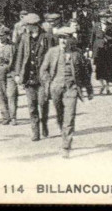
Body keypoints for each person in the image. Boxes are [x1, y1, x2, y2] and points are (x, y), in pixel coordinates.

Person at [41, 26, 93, 158]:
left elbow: (85, 74)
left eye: (66, 38)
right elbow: (43, 70)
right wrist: (48, 82)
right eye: (61, 38)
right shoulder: (52, 52)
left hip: (72, 89)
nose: (63, 41)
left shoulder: (77, 54)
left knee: (69, 117)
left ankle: (66, 145)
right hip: (56, 88)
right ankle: (63, 133)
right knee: (60, 116)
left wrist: (89, 89)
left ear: (71, 39)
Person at [13, 13, 56, 141]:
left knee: (43, 103)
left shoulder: (47, 37)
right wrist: (17, 74)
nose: (25, 28)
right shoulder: (24, 37)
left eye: (27, 26)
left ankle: (44, 125)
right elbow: (20, 56)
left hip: (43, 78)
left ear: (34, 25)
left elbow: (52, 56)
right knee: (31, 106)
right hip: (29, 77)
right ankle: (35, 132)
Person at [0, 25, 17, 125]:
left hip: (10, 72)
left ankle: (13, 117)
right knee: (1, 95)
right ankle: (5, 117)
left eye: (3, 35)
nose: (0, 37)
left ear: (7, 35)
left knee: (11, 94)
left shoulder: (13, 46)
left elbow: (17, 59)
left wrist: (17, 73)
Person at [90, 11, 112, 95]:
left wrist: (109, 38)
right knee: (99, 69)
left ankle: (108, 88)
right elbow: (92, 38)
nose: (104, 19)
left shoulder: (111, 26)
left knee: (108, 68)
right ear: (100, 18)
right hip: (98, 50)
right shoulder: (96, 26)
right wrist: (90, 50)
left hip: (108, 50)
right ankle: (102, 85)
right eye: (102, 17)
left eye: (106, 17)